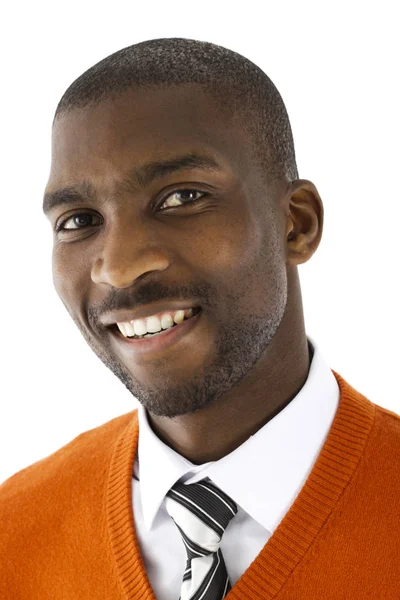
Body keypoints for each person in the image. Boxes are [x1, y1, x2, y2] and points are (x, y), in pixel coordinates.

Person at [0, 38, 398, 600]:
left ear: (297, 224)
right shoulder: (12, 534)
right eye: (79, 220)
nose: (118, 267)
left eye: (183, 196)